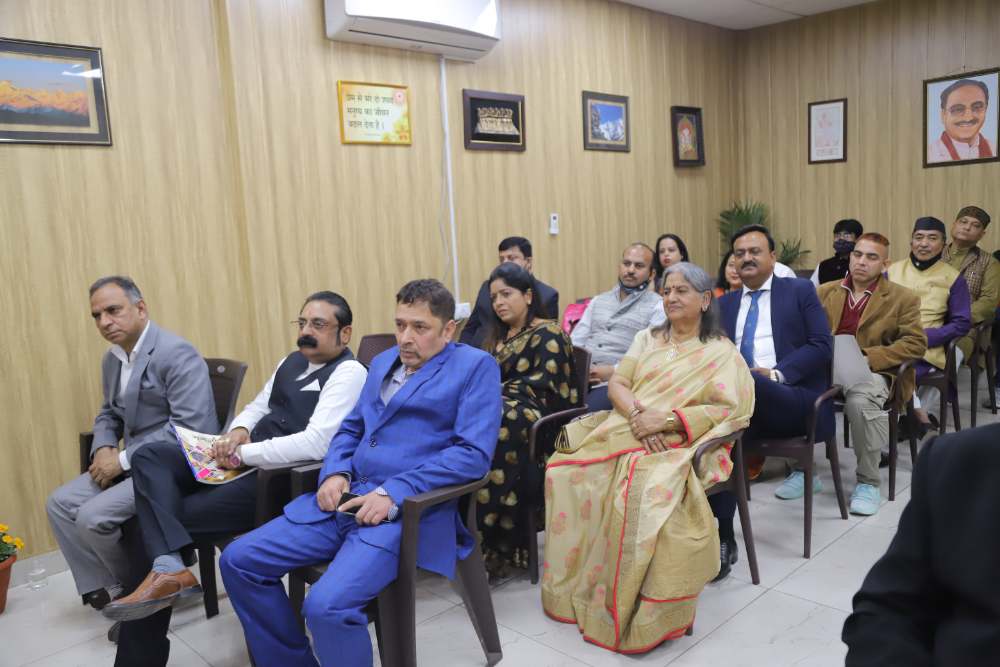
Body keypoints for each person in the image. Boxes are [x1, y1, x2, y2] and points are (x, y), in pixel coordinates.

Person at [219, 279, 502, 667]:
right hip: (343, 501)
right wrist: (335, 472)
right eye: (400, 324)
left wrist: (394, 491)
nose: (405, 337)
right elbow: (350, 429)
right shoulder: (383, 362)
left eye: (420, 327)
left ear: (448, 329)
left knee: (326, 607)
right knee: (238, 560)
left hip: (405, 514)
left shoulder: (475, 367)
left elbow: (472, 455)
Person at [105, 292, 367, 664]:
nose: (306, 332)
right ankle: (168, 567)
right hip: (240, 462)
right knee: (149, 455)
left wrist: (243, 454)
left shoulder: (350, 373)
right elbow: (257, 406)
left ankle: (146, 632)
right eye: (303, 323)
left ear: (345, 333)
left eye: (319, 325)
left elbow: (316, 443)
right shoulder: (291, 361)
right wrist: (238, 432)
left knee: (147, 526)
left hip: (275, 481)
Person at [541, 262, 754, 654]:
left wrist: (668, 420)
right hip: (630, 424)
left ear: (705, 300)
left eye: (681, 290)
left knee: (641, 489)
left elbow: (729, 408)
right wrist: (641, 417)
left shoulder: (720, 352)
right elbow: (619, 383)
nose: (671, 297)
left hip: (682, 440)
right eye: (667, 290)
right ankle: (576, 586)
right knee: (564, 468)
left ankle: (640, 609)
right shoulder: (647, 338)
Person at [45, 276, 216, 613]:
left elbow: (190, 429)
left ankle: (147, 590)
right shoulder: (113, 359)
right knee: (59, 504)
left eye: (113, 310)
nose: (105, 322)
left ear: (140, 308)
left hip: (173, 465)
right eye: (97, 315)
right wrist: (104, 447)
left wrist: (121, 460)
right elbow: (108, 412)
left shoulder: (176, 353)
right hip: (133, 461)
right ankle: (107, 587)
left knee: (92, 517)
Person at [712, 225, 832, 578]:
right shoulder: (724, 304)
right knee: (719, 435)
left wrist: (776, 374)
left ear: (773, 257)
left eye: (755, 251)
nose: (746, 258)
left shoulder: (798, 291)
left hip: (792, 399)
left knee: (745, 385)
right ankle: (723, 536)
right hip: (741, 410)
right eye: (740, 253)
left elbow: (822, 345)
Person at [842, 423, 1000, 665]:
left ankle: (869, 479)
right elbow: (889, 609)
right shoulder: (959, 462)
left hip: (885, 400)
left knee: (861, 405)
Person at [479, 262, 579, 577]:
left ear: (528, 295)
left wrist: (494, 391)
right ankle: (461, 530)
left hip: (541, 422)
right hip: (505, 412)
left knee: (503, 420)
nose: (499, 302)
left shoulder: (549, 333)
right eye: (494, 297)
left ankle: (491, 542)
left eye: (506, 294)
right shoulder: (496, 337)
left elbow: (547, 387)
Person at [816, 234, 926, 516]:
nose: (861, 262)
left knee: (860, 400)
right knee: (794, 390)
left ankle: (868, 482)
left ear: (885, 264)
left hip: (876, 371)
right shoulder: (825, 292)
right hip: (827, 368)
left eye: (871, 257)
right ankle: (801, 471)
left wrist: (869, 357)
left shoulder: (902, 297)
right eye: (857, 254)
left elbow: (915, 343)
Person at [888, 217, 971, 432]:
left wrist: (928, 337)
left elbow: (962, 323)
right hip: (891, 341)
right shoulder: (892, 271)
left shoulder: (953, 277)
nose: (924, 244)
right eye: (919, 237)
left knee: (897, 369)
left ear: (943, 245)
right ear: (911, 242)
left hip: (927, 346)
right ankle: (919, 418)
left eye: (932, 238)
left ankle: (905, 421)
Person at [570, 243, 661, 411]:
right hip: (579, 378)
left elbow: (651, 356)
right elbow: (575, 341)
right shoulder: (598, 300)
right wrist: (579, 369)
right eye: (626, 263)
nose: (630, 270)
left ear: (652, 274)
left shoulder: (658, 306)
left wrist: (612, 371)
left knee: (583, 415)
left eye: (639, 266)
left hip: (617, 382)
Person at [459, 237, 559, 348]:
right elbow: (470, 328)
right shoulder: (487, 287)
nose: (505, 263)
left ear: (528, 261)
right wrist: (463, 352)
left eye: (511, 258)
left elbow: (544, 337)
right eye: (502, 259)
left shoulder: (547, 295)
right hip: (477, 350)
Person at [942, 206, 999, 362]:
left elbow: (989, 302)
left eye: (975, 225)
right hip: (926, 320)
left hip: (966, 328)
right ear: (953, 225)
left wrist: (955, 318)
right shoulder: (934, 254)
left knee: (950, 352)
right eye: (963, 222)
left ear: (982, 234)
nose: (967, 227)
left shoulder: (989, 262)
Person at [928, 78, 995, 163]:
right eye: (958, 109)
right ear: (943, 115)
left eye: (977, 107)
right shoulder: (929, 155)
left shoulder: (994, 149)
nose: (968, 117)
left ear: (985, 110)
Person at [810, 219, 864, 286]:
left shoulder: (863, 264)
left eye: (846, 235)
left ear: (858, 239)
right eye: (837, 235)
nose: (841, 238)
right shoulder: (823, 265)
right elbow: (811, 289)